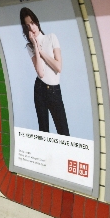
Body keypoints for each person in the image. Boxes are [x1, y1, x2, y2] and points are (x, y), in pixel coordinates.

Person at [20, 7, 70, 136]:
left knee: (64, 133)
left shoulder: (51, 38)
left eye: (32, 23)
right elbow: (41, 73)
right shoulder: (29, 47)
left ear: (36, 22)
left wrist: (41, 52)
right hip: (40, 88)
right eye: (27, 26)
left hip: (54, 90)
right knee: (43, 133)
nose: (31, 28)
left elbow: (58, 67)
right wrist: (35, 46)